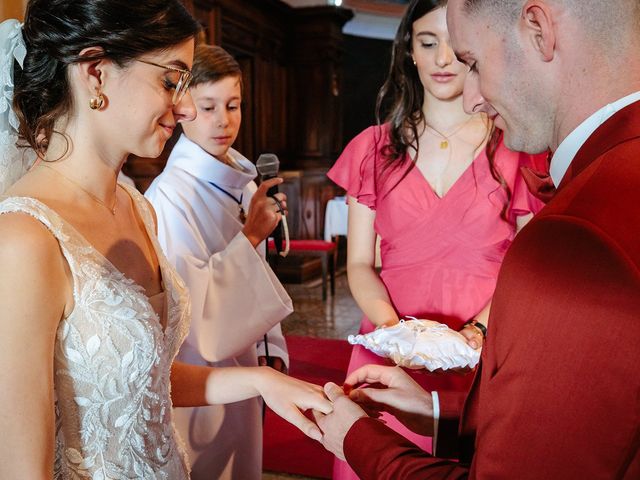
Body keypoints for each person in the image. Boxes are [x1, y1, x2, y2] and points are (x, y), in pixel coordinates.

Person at [0, 2, 332, 478]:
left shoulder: (136, 207)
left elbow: (138, 383)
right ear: (96, 74)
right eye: (170, 81)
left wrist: (260, 380)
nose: (188, 107)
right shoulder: (25, 239)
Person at [314, 0, 640, 477]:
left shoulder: (578, 237)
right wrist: (444, 410)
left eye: (473, 61)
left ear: (538, 29)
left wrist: (362, 440)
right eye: (431, 46)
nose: (472, 98)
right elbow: (579, 430)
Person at [327, 0, 544, 476]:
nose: (444, 59)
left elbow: (528, 264)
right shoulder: (372, 147)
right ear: (409, 51)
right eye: (428, 43)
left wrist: (476, 332)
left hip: (484, 347)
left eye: (455, 45)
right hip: (386, 344)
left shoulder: (517, 146)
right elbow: (360, 264)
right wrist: (396, 335)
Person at [145, 44, 291, 480]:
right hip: (199, 375)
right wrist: (250, 236)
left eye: (233, 105)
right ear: (183, 109)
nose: (224, 120)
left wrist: (274, 347)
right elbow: (195, 314)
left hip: (244, 358)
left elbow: (258, 277)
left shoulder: (241, 181)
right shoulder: (171, 197)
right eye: (208, 107)